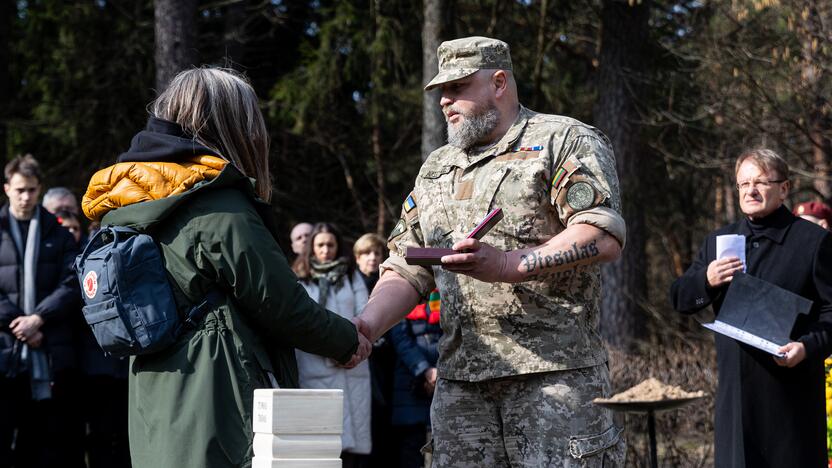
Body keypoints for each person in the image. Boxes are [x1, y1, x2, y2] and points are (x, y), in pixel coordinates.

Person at [355, 36, 627, 466]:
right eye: (441, 91)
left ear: (499, 82)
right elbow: (407, 265)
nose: (445, 100)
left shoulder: (561, 140)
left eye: (458, 86)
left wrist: (504, 265)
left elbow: (600, 233)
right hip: (461, 385)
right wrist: (367, 325)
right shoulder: (437, 167)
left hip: (554, 379)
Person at [80, 68, 370, 468]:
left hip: (156, 409)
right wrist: (349, 340)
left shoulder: (128, 206)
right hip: (221, 413)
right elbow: (283, 305)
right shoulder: (216, 208)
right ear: (228, 125)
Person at [670, 148, 832, 467]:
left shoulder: (814, 242)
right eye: (743, 184)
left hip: (790, 403)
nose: (750, 190)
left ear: (784, 188)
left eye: (759, 182)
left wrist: (807, 347)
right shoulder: (719, 241)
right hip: (736, 406)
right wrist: (707, 279)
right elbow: (680, 298)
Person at [0, 155, 85, 468]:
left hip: (50, 355)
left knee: (44, 446)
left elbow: (73, 282)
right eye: (20, 189)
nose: (26, 197)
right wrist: (18, 324)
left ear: (39, 190)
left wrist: (38, 319)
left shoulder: (58, 234)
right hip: (6, 355)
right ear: (7, 188)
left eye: (32, 190)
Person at [51, 204, 132, 468]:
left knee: (120, 434)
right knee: (100, 433)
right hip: (96, 362)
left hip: (120, 362)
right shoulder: (88, 254)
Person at [292, 223, 372, 467]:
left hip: (352, 363)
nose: (325, 250)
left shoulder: (350, 275)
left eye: (330, 244)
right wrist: (334, 348)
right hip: (315, 365)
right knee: (321, 441)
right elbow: (301, 321)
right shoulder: (300, 278)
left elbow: (365, 311)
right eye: (320, 245)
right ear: (311, 248)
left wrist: (352, 348)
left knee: (352, 447)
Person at [353, 233, 397, 468]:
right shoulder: (351, 283)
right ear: (357, 257)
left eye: (376, 253)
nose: (371, 258)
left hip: (386, 363)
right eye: (366, 253)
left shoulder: (389, 285)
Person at [389, 289, 442, 468]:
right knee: (412, 445)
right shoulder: (405, 294)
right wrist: (424, 370)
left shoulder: (446, 290)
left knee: (442, 444)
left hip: (444, 374)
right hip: (410, 379)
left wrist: (441, 371)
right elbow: (400, 338)